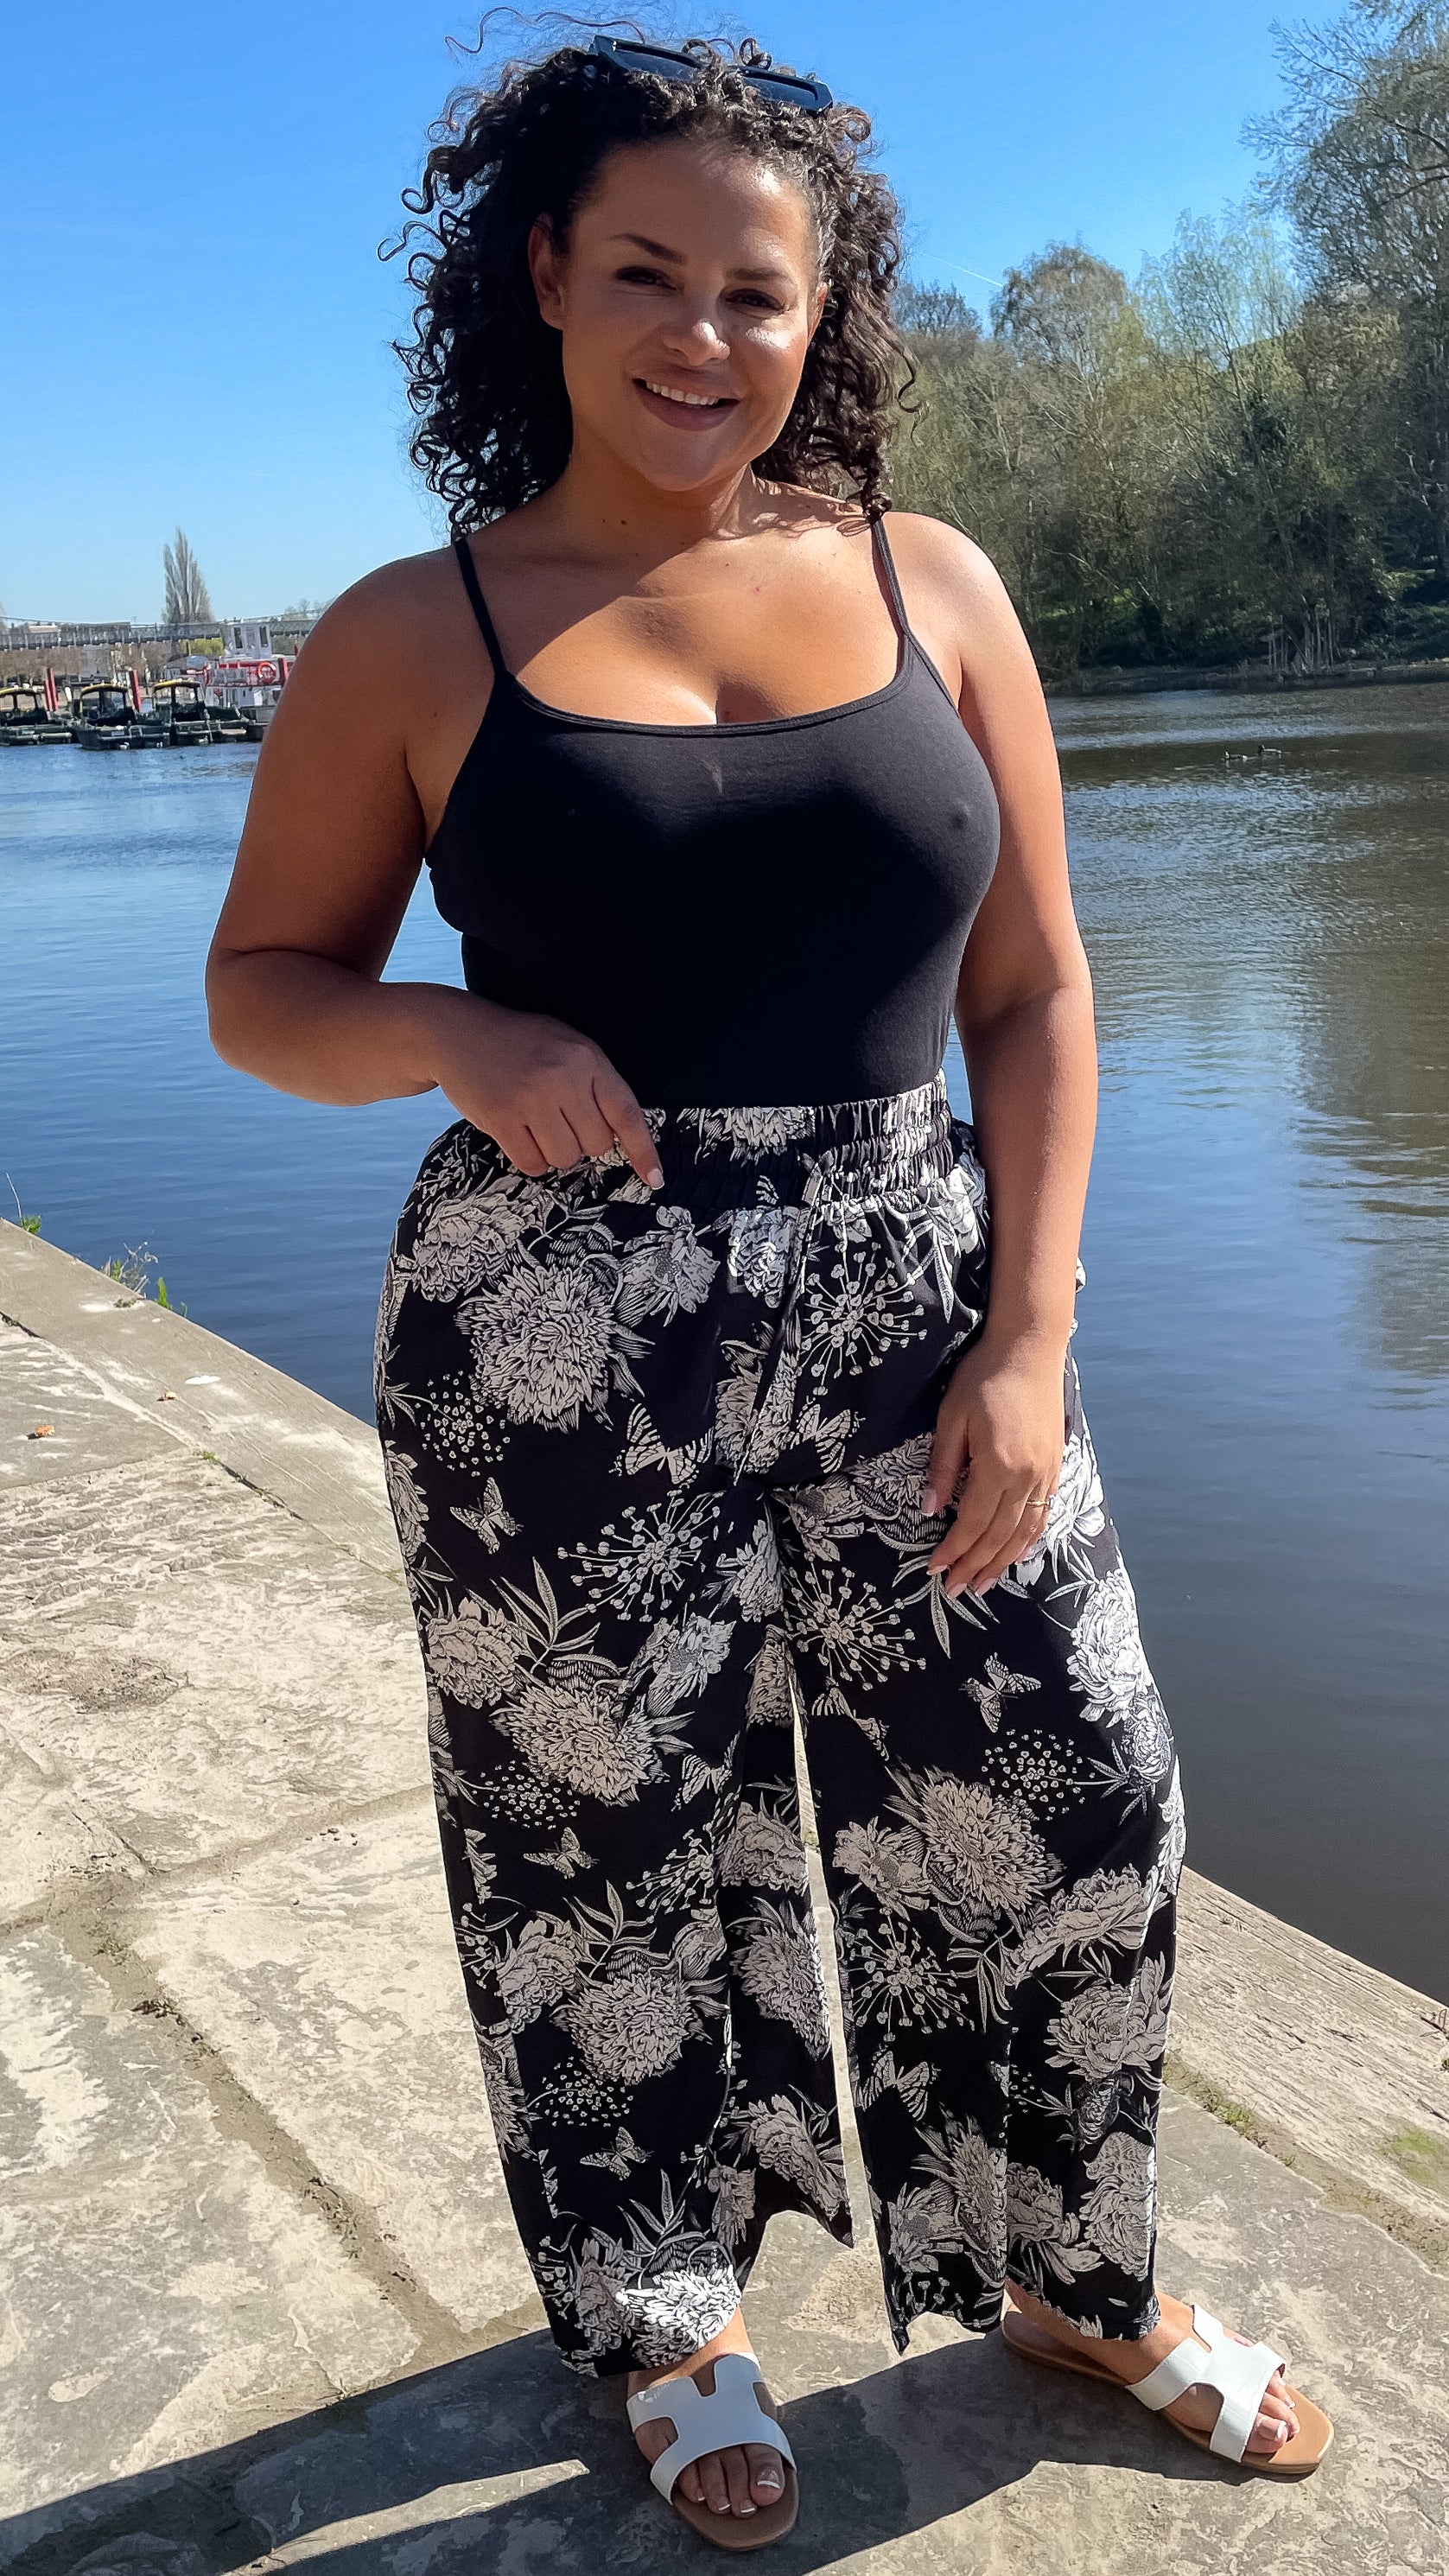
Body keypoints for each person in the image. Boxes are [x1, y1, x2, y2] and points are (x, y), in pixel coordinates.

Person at [207, 29, 1332, 2548]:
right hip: (552, 1330)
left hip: (915, 1293)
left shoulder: (938, 584)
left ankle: (1074, 2269)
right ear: (542, 277)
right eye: (646, 275)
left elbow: (1037, 990)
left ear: (824, 317)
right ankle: (668, 2305)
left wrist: (1031, 1334)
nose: (700, 337)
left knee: (1082, 1784)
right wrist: (454, 1034)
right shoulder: (413, 631)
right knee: (600, 1841)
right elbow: (261, 991)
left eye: (756, 291)